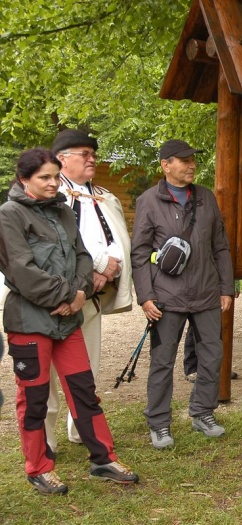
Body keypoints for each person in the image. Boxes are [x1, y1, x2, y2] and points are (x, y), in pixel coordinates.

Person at [0, 148, 138, 494]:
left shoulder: (63, 210)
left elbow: (81, 256)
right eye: (43, 177)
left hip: (68, 320)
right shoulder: (9, 215)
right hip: (29, 322)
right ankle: (39, 468)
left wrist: (78, 294)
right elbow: (20, 270)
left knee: (84, 391)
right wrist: (66, 296)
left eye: (54, 176)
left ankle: (103, 458)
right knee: (33, 400)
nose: (51, 183)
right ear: (24, 180)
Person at [131, 140, 234, 449]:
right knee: (162, 361)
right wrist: (146, 296)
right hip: (166, 298)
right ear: (166, 165)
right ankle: (160, 423)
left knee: (212, 355)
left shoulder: (206, 198)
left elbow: (220, 246)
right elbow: (139, 254)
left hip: (206, 294)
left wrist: (227, 288)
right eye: (184, 160)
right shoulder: (148, 201)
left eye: (193, 160)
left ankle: (203, 413)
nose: (191, 165)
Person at [44, 129, 133, 451]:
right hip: (53, 298)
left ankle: (81, 429)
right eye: (84, 153)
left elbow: (119, 240)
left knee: (86, 367)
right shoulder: (49, 196)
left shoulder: (105, 197)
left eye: (93, 153)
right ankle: (45, 439)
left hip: (92, 298)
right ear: (62, 159)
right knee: (46, 377)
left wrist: (113, 264)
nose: (92, 158)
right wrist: (96, 264)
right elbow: (58, 243)